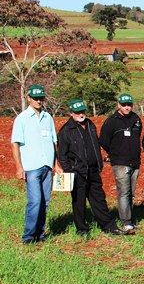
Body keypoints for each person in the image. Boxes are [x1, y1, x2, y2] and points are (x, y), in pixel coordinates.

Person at [57, 99, 131, 237]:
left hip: (93, 170)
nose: (81, 114)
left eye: (82, 111)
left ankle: (109, 226)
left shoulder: (90, 125)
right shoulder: (66, 130)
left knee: (99, 199)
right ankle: (82, 229)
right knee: (79, 202)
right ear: (71, 113)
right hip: (78, 172)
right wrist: (70, 170)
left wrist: (99, 164)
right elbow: (62, 155)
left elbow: (96, 145)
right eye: (78, 112)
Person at [11, 84, 62, 244]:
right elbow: (15, 144)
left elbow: (54, 143)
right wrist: (19, 167)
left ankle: (40, 234)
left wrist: (57, 164)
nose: (39, 101)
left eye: (41, 98)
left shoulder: (48, 118)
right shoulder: (22, 119)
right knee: (35, 201)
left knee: (45, 201)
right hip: (31, 166)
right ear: (28, 98)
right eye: (35, 98)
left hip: (47, 165)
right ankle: (28, 236)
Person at [99, 93, 142, 232]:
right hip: (119, 162)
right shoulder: (112, 121)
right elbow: (104, 140)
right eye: (124, 105)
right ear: (119, 105)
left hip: (134, 162)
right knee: (124, 192)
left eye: (129, 105)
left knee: (131, 192)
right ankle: (126, 222)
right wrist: (114, 152)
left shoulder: (136, 119)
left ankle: (129, 217)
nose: (127, 107)